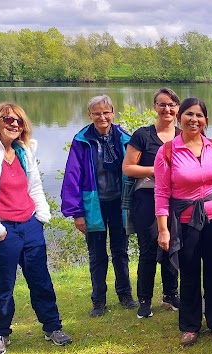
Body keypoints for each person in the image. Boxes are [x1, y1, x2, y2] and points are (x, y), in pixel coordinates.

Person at [0, 103, 72, 354]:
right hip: (1, 230)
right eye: (7, 118)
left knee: (41, 280)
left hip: (29, 226)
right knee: (3, 287)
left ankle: (53, 328)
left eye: (18, 121)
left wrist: (41, 216)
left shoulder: (24, 150)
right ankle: (0, 335)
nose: (13, 124)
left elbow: (35, 186)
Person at [154, 97, 212, 346]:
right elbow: (161, 192)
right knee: (188, 272)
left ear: (206, 121)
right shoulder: (168, 151)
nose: (194, 120)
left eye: (199, 115)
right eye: (189, 114)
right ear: (180, 118)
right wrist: (163, 229)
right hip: (185, 221)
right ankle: (190, 325)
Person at [61, 95, 137, 317]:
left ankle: (125, 295)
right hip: (93, 205)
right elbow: (72, 176)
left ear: (113, 113)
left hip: (119, 204)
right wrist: (77, 213)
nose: (102, 117)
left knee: (120, 251)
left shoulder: (124, 138)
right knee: (97, 255)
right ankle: (99, 300)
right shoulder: (82, 140)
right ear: (90, 115)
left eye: (106, 112)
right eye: (97, 113)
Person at [121, 88, 181, 319]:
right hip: (147, 198)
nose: (168, 109)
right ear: (154, 107)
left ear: (178, 108)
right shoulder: (143, 135)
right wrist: (159, 171)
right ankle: (145, 300)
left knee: (172, 246)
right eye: (162, 104)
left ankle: (170, 294)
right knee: (148, 250)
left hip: (176, 200)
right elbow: (128, 167)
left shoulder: (182, 134)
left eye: (172, 104)